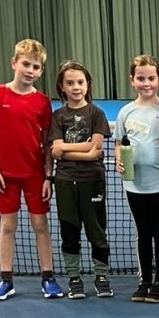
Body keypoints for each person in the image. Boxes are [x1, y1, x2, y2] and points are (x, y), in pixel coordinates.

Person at [0, 39, 62, 301]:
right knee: (8, 225)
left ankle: (48, 278)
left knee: (40, 224)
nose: (30, 70)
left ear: (41, 71)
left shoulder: (42, 101)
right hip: (5, 175)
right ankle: (6, 280)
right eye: (25, 64)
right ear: (14, 63)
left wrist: (48, 176)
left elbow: (48, 142)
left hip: (35, 175)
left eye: (36, 66)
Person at [114, 54, 159, 304]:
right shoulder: (126, 112)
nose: (146, 83)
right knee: (142, 233)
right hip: (134, 184)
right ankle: (145, 280)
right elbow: (119, 142)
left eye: (151, 78)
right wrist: (119, 158)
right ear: (132, 80)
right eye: (141, 78)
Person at [49, 61, 113, 299]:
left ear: (87, 85)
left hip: (92, 180)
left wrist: (64, 149)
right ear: (62, 87)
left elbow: (96, 150)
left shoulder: (96, 114)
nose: (76, 87)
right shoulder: (57, 116)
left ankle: (101, 276)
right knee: (69, 230)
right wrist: (82, 150)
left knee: (97, 231)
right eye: (70, 83)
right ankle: (74, 278)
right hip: (65, 181)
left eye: (80, 82)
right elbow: (54, 150)